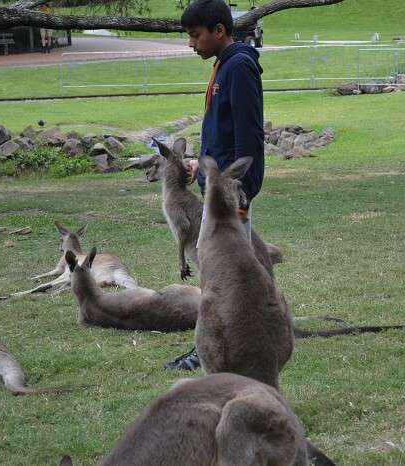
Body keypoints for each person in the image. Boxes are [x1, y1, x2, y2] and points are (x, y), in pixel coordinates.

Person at [164, 0, 265, 371]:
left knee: (222, 278)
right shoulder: (226, 64)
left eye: (195, 35)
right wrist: (200, 167)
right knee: (217, 275)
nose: (192, 44)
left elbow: (249, 135)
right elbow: (223, 133)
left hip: (228, 199)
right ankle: (220, 345)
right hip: (216, 192)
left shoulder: (239, 67)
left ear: (219, 30)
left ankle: (213, 349)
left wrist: (240, 194)